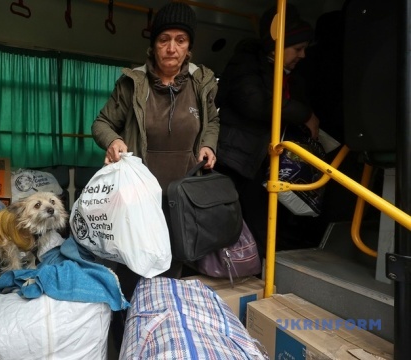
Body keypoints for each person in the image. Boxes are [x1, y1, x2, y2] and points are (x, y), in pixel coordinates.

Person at [91, 2, 220, 297]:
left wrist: (208, 145)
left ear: (189, 47)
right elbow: (101, 123)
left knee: (172, 263)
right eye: (164, 40)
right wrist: (113, 140)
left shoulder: (201, 83)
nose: (171, 48)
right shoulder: (132, 83)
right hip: (138, 197)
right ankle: (126, 326)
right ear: (154, 45)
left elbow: (212, 120)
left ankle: (160, 323)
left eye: (180, 40)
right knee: (131, 265)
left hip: (181, 195)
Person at [213, 4, 325, 255]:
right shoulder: (245, 61)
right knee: (249, 227)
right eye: (297, 48)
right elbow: (255, 103)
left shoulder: (288, 76)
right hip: (238, 161)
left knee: (266, 229)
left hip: (267, 162)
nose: (303, 55)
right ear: (278, 45)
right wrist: (305, 115)